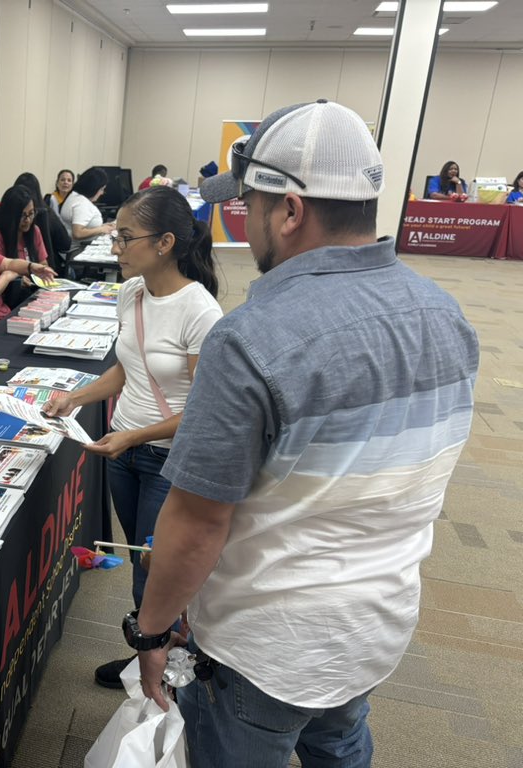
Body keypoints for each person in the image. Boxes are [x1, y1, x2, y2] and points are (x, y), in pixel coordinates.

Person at [127, 100, 478, 768]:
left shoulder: (251, 339)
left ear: (288, 212)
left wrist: (150, 633)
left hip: (265, 646)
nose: (242, 218)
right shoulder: (446, 315)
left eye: (250, 204)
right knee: (341, 741)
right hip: (377, 623)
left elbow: (197, 523)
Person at [42, 185, 222, 688]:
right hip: (125, 451)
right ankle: (158, 653)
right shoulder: (132, 293)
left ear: (164, 242)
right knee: (145, 561)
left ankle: (165, 664)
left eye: (125, 237)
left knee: (158, 569)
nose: (114, 246)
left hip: (166, 459)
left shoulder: (200, 312)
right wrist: (76, 397)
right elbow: (126, 370)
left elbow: (204, 412)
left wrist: (134, 435)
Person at [15, 171, 72, 263]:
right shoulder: (48, 213)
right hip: (49, 267)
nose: (28, 219)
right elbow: (65, 244)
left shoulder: (10, 215)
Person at [60, 166, 116, 253]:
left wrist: (103, 227)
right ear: (93, 188)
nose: (102, 193)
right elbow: (77, 233)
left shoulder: (74, 196)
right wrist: (101, 229)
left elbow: (82, 224)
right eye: (101, 189)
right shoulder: (82, 204)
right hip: (79, 251)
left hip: (78, 248)